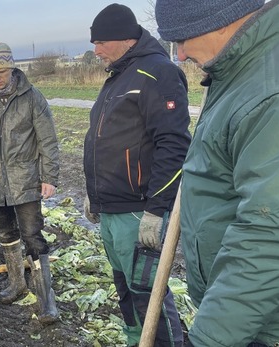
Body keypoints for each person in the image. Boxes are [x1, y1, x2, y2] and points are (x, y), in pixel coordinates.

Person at [155, 0, 279, 346]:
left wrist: (209, 338)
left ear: (220, 19)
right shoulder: (240, 70)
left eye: (182, 38)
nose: (179, 55)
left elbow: (272, 237)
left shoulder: (278, 92)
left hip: (276, 325)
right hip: (250, 317)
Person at [83, 4, 191, 346]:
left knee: (149, 296)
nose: (95, 50)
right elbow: (103, 141)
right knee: (126, 291)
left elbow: (173, 146)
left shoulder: (158, 73)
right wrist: (93, 191)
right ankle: (135, 341)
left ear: (124, 39)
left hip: (137, 211)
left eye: (100, 42)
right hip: (111, 210)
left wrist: (156, 210)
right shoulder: (117, 77)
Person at [0, 42, 60, 324]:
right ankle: (17, 284)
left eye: (2, 71)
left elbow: (48, 141)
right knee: (6, 233)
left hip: (26, 180)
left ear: (12, 68)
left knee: (33, 236)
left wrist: (49, 178)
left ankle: (46, 299)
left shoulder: (32, 98)